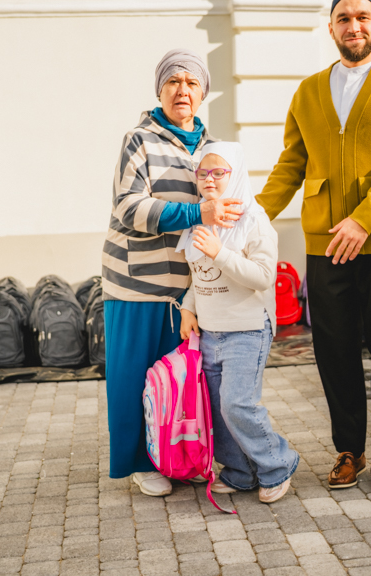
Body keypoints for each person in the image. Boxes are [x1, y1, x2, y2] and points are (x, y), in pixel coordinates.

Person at [255, 0, 371, 496]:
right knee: (334, 350)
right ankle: (349, 449)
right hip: (326, 241)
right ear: (330, 27)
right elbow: (291, 163)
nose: (354, 25)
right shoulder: (309, 91)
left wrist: (364, 219)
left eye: (363, 17)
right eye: (344, 18)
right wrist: (253, 218)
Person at [102, 49, 244, 496]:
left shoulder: (213, 148)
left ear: (203, 93)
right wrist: (197, 212)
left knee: (184, 380)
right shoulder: (139, 140)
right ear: (160, 90)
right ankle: (142, 462)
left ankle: (179, 455)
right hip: (137, 283)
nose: (183, 90)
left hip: (190, 289)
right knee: (134, 376)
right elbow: (128, 208)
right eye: (173, 82)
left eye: (192, 82)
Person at [178, 142, 299, 503]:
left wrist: (221, 253)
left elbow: (263, 276)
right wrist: (188, 307)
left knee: (237, 405)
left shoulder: (254, 221)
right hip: (210, 332)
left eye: (219, 172)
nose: (209, 179)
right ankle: (240, 472)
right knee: (217, 409)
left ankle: (277, 465)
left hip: (247, 329)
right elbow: (200, 274)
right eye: (203, 172)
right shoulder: (200, 219)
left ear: (237, 174)